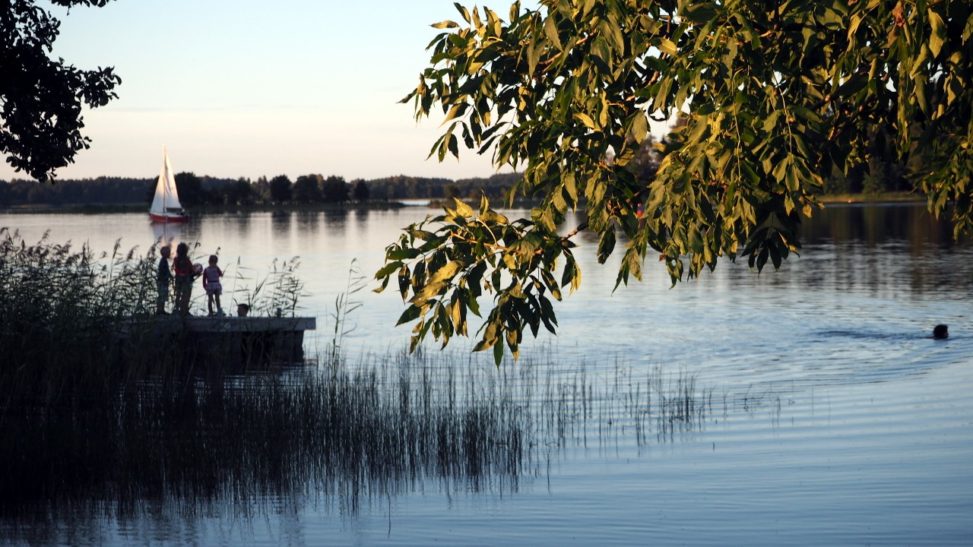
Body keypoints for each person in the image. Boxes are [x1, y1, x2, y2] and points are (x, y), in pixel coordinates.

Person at [172, 242, 195, 317]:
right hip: (186, 280)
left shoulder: (176, 259)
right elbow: (191, 270)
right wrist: (195, 272)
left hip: (178, 279)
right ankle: (184, 311)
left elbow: (176, 269)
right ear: (186, 251)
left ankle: (176, 310)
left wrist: (180, 274)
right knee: (186, 295)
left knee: (178, 294)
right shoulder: (187, 260)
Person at [156, 245, 172, 314]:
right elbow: (163, 271)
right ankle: (160, 310)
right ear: (165, 253)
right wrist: (166, 277)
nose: (169, 254)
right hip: (162, 281)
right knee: (161, 295)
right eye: (168, 252)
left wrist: (170, 276)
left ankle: (161, 310)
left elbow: (167, 271)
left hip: (163, 281)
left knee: (163, 296)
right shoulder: (163, 261)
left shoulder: (164, 260)